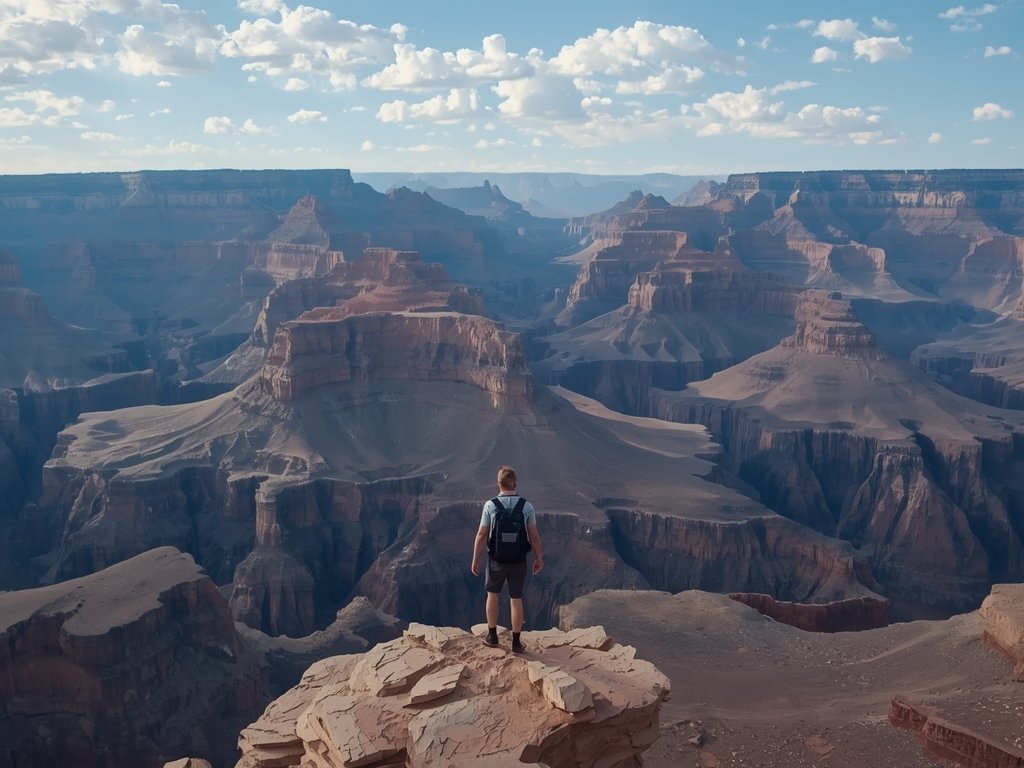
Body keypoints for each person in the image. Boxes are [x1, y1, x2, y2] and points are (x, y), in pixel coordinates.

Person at [470, 465, 543, 653]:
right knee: (516, 598)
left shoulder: (490, 505)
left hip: (496, 559)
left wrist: (475, 559)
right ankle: (516, 642)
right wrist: (538, 558)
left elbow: (481, 534)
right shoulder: (526, 506)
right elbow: (534, 536)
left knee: (492, 595)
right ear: (515, 483)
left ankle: (492, 637)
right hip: (518, 560)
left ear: (498, 483)